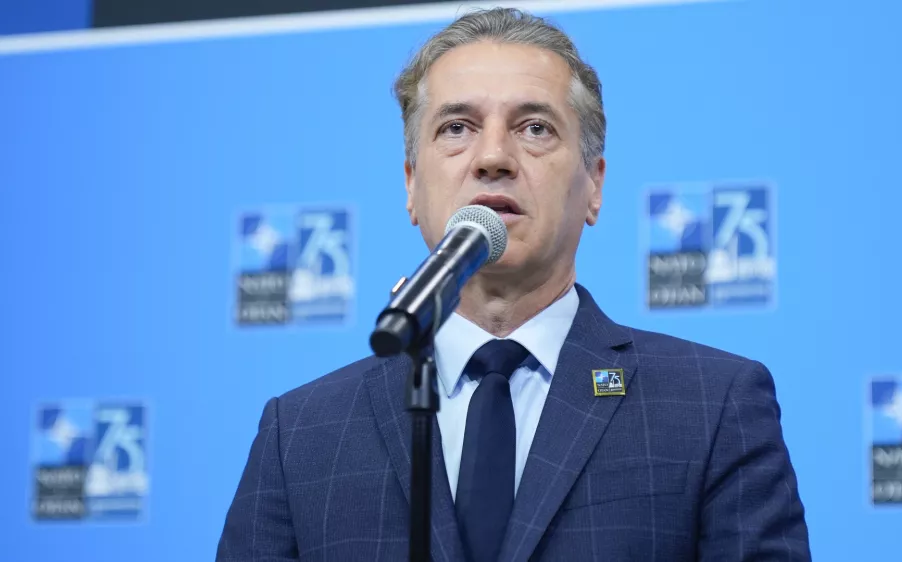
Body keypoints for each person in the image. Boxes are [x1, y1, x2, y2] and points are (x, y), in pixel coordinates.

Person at [217, 7, 811, 561]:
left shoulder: (712, 406)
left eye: (534, 128)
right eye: (456, 128)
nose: (493, 156)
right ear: (410, 186)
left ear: (594, 186)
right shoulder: (298, 436)